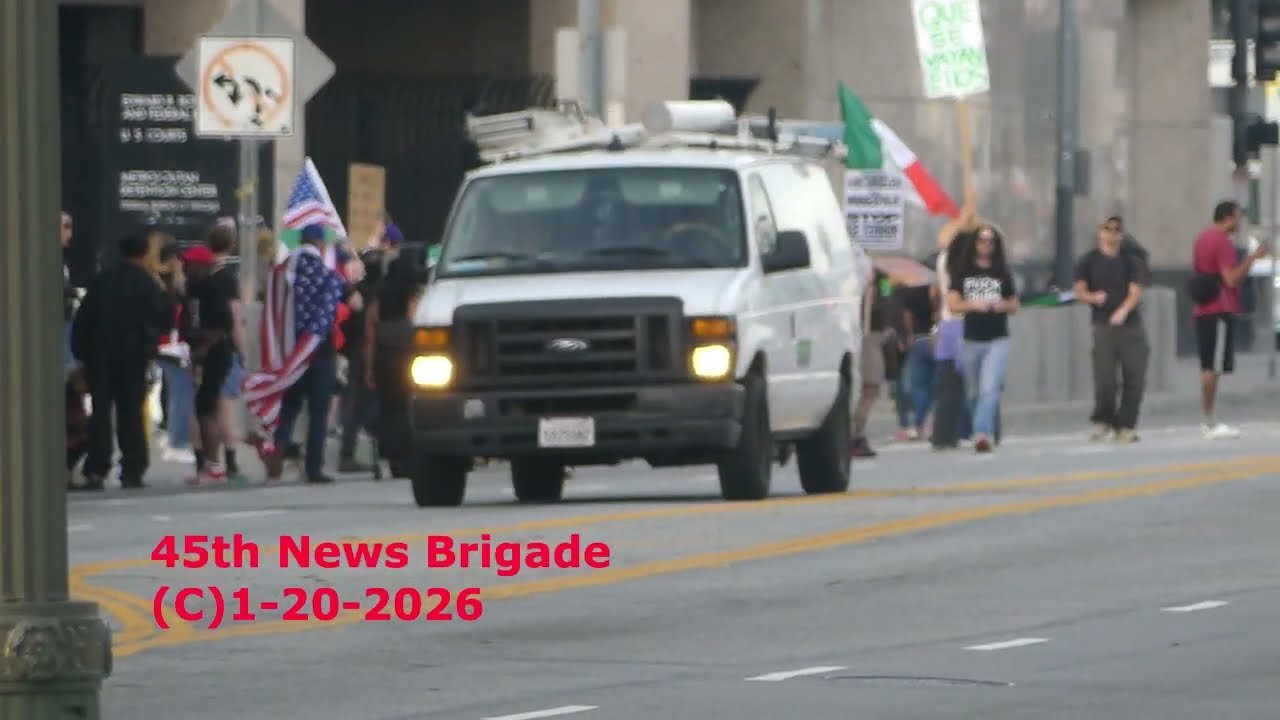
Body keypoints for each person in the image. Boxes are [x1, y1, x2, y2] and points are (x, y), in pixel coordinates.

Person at [251, 224, 349, 484]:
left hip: (290, 354)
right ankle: (313, 467)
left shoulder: (281, 273)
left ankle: (278, 453)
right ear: (319, 244)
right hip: (319, 352)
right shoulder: (328, 277)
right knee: (318, 413)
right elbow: (342, 301)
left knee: (289, 408)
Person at [70, 232, 168, 489]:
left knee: (100, 412)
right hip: (133, 357)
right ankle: (133, 468)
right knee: (131, 413)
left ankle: (97, 467)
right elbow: (156, 323)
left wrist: (81, 355)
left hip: (100, 356)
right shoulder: (148, 284)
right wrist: (149, 354)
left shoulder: (102, 281)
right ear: (145, 252)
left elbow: (85, 320)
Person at [1191, 200, 1268, 438]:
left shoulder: (1202, 239)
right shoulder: (1222, 241)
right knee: (1213, 368)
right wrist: (1253, 257)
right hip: (1219, 309)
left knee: (1207, 365)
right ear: (1227, 218)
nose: (1238, 223)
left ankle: (1208, 418)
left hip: (1203, 309)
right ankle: (1209, 419)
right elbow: (1231, 278)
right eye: (1237, 218)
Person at [947, 223, 1019, 453]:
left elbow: (1015, 304)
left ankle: (982, 434)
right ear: (974, 244)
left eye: (991, 241)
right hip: (971, 338)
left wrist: (1002, 305)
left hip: (997, 337)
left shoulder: (1002, 273)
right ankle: (980, 429)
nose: (986, 245)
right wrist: (973, 304)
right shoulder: (963, 272)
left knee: (990, 387)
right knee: (974, 391)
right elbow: (953, 304)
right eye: (982, 240)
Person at [1075, 218, 1149, 443]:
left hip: (1130, 326)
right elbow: (1080, 290)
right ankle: (1103, 420)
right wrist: (1092, 297)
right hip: (1103, 325)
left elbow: (1135, 292)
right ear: (1099, 232)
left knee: (1134, 376)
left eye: (1116, 230)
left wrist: (1124, 311)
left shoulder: (1130, 262)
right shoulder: (1088, 261)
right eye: (1107, 229)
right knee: (1105, 378)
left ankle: (1126, 425)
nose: (1112, 234)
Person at [366, 238, 429, 477]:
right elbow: (415, 320)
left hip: (383, 353)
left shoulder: (379, 291)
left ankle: (392, 458)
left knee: (389, 407)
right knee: (408, 405)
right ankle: (408, 457)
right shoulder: (412, 292)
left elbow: (370, 329)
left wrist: (369, 367)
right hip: (406, 353)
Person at [191, 224, 248, 484]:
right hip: (222, 346)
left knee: (201, 405)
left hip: (198, 346)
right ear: (232, 244)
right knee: (223, 404)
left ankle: (203, 460)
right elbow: (235, 319)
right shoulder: (227, 278)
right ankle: (228, 459)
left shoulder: (200, 278)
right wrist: (243, 350)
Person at [850, 269, 889, 458]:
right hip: (864, 337)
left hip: (876, 337)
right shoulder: (853, 279)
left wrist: (881, 284)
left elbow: (888, 296)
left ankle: (857, 430)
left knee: (872, 389)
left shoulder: (882, 280)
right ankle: (854, 433)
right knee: (868, 387)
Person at [894, 280, 937, 440]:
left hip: (918, 340)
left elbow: (907, 315)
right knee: (937, 385)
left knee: (919, 387)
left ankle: (918, 423)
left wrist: (909, 334)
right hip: (936, 339)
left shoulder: (911, 291)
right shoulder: (936, 289)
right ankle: (930, 422)